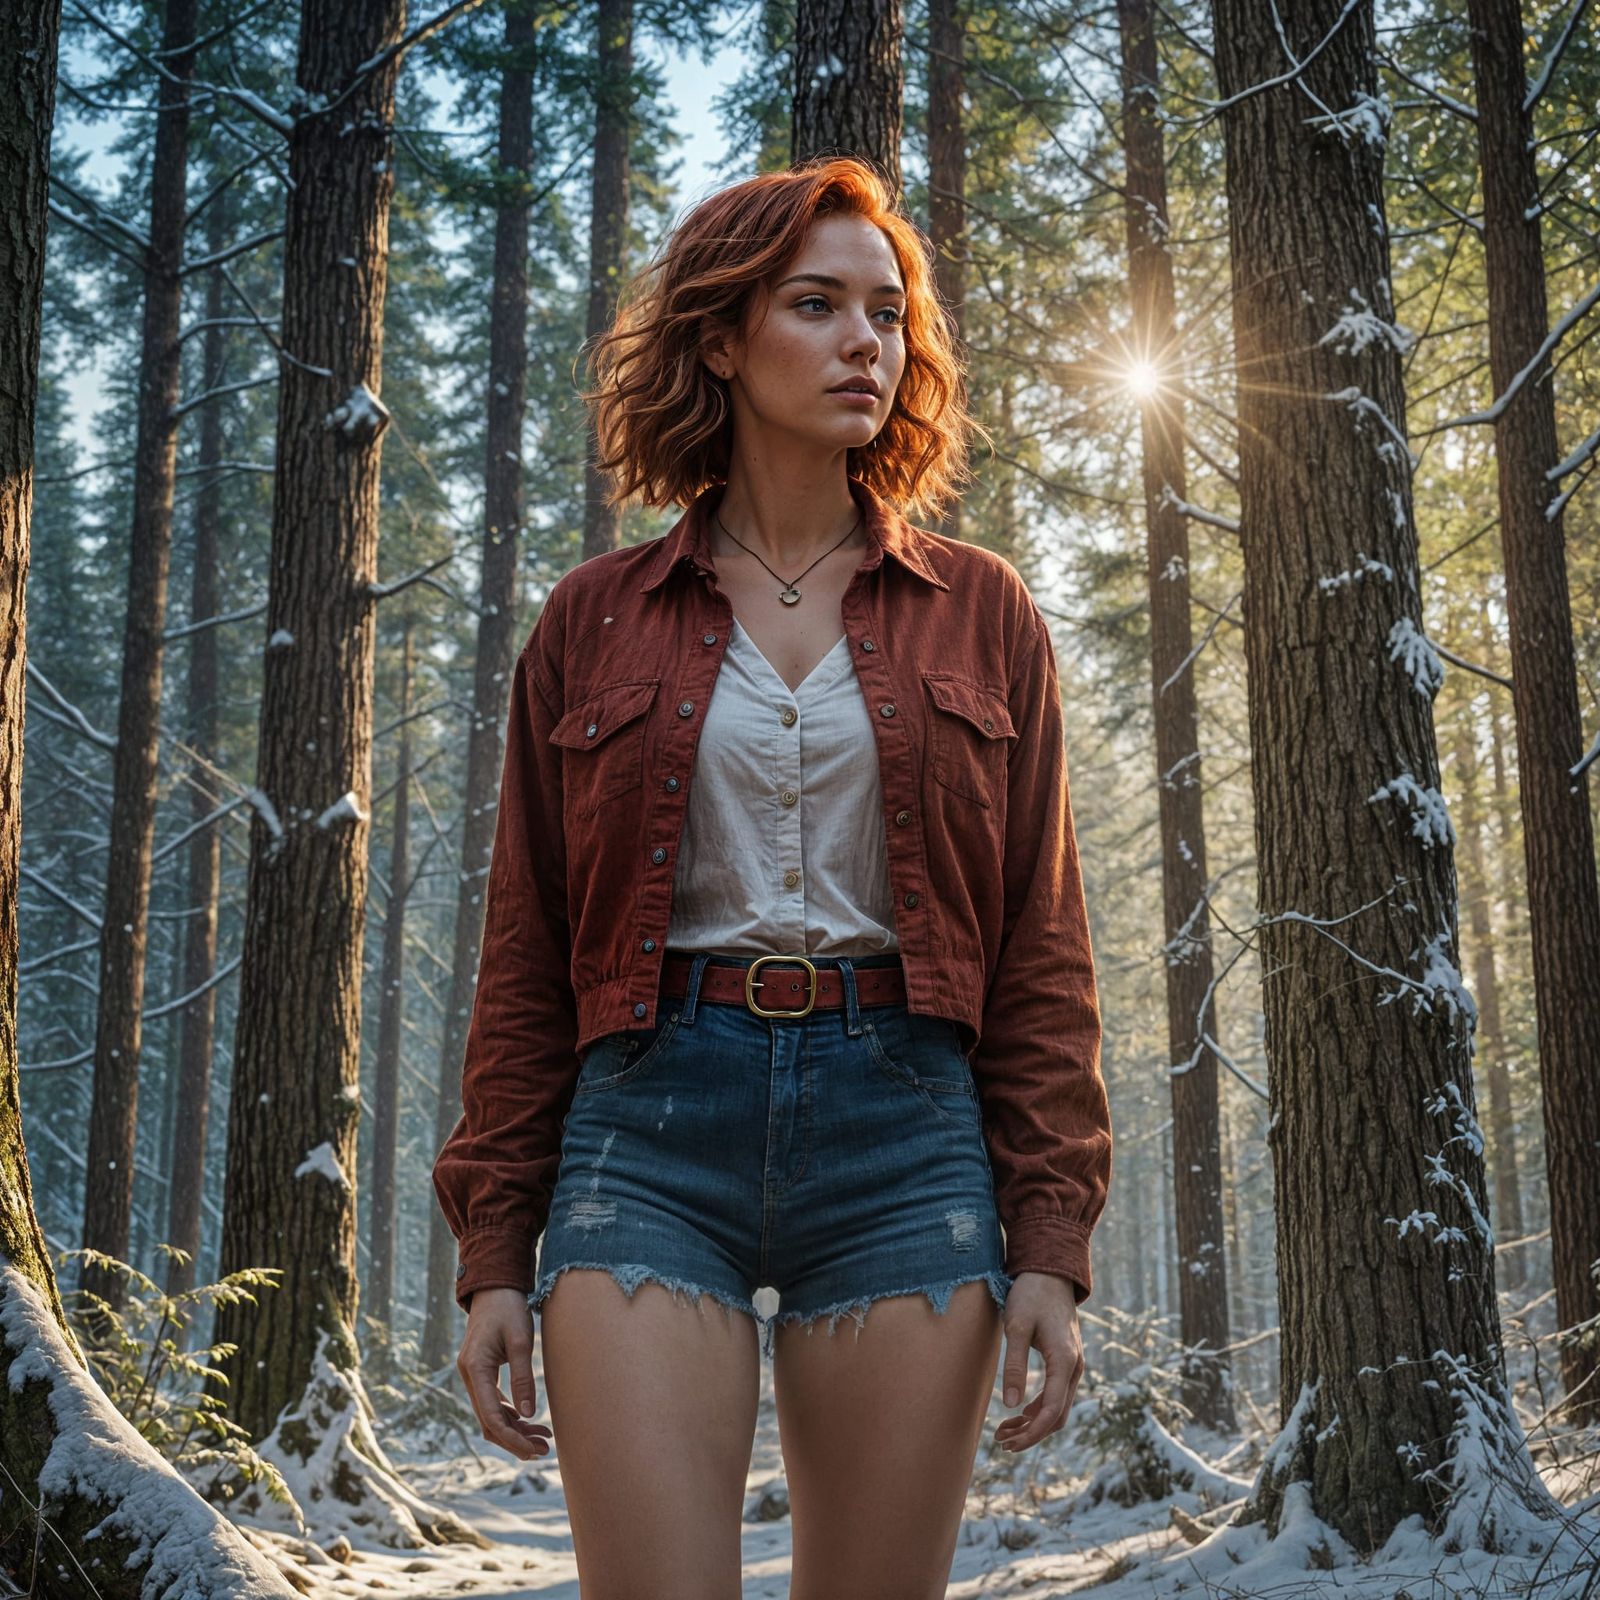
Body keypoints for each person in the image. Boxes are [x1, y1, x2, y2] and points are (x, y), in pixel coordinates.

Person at [432, 155, 1112, 1600]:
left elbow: (1043, 950)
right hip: (648, 1129)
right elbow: (527, 949)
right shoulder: (592, 619)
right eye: (818, 305)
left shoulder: (984, 611)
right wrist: (495, 1243)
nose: (868, 341)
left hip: (906, 1131)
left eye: (887, 311)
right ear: (723, 341)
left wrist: (1052, 1236)